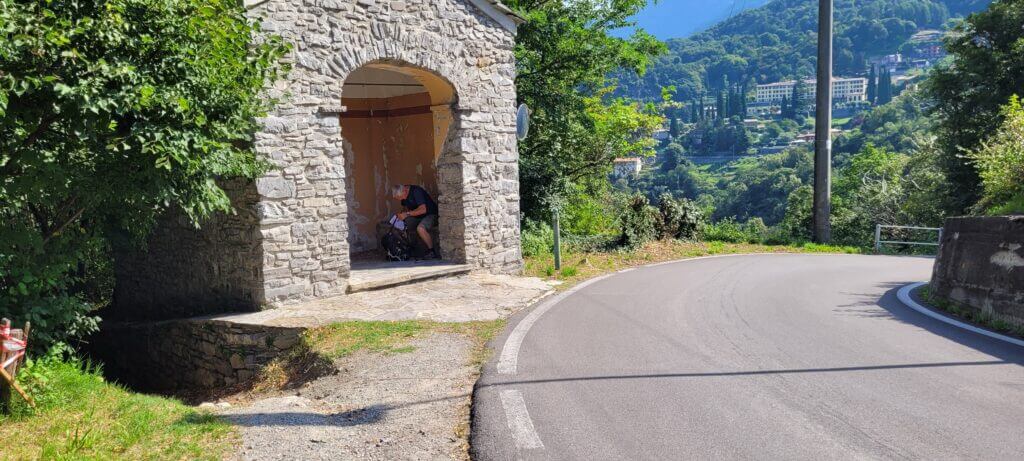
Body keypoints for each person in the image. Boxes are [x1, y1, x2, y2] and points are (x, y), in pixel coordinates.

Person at [391, 184, 439, 259]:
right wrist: (401, 215)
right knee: (403, 225)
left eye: (400, 197)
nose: (400, 199)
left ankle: (432, 251)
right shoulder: (403, 194)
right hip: (417, 216)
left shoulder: (416, 192)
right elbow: (405, 208)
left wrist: (407, 214)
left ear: (405, 191)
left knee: (420, 228)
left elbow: (423, 210)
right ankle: (410, 249)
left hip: (430, 214)